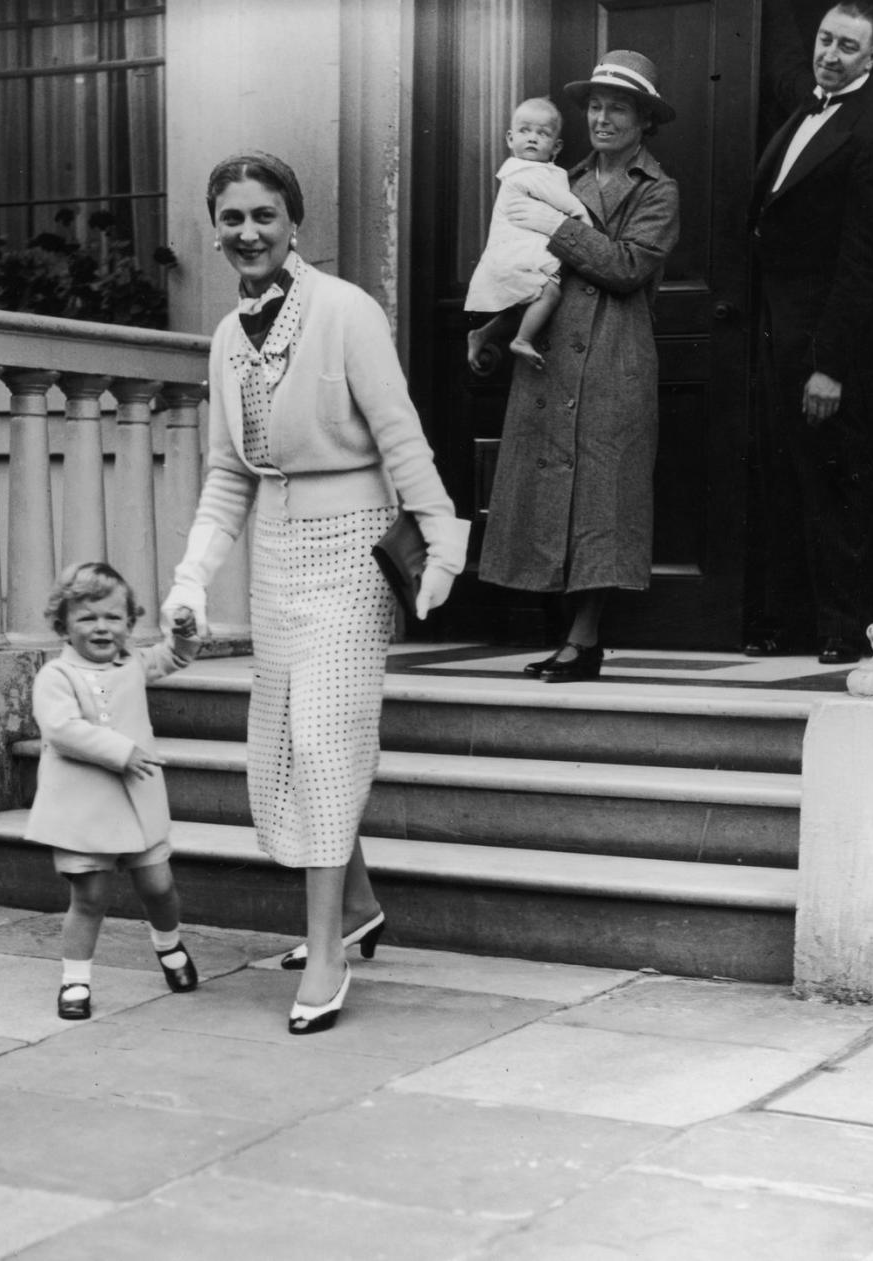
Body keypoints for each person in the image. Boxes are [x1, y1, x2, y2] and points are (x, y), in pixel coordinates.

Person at [161, 152, 469, 1035]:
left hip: (354, 548)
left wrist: (440, 537)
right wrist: (191, 578)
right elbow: (229, 474)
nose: (248, 233)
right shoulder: (226, 339)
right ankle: (359, 903)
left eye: (265, 215)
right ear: (213, 228)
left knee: (328, 739)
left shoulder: (345, 312)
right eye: (232, 218)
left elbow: (403, 437)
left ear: (295, 222)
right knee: (293, 744)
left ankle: (325, 946)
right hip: (276, 556)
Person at [478, 51, 679, 682]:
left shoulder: (659, 190)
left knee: (602, 498)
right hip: (552, 354)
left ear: (644, 120)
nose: (602, 118)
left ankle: (585, 636)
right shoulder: (560, 179)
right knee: (551, 492)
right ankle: (567, 634)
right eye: (593, 106)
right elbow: (525, 262)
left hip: (616, 357)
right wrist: (493, 325)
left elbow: (626, 267)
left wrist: (561, 228)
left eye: (617, 107)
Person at [745, 0, 873, 665]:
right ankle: (786, 623)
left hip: (824, 347)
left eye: (846, 47)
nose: (829, 55)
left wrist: (829, 366)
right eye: (824, 39)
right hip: (775, 333)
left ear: (872, 59)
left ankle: (841, 630)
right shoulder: (807, 101)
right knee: (786, 479)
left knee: (833, 485)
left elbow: (869, 264)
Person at [25, 561, 202, 1021]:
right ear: (63, 625)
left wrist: (183, 632)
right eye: (87, 618)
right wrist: (121, 750)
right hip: (83, 811)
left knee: (159, 886)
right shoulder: (56, 677)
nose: (101, 627)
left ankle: (168, 944)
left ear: (129, 622)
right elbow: (62, 729)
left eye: (112, 617)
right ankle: (75, 979)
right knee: (90, 897)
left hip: (139, 806)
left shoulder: (135, 663)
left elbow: (176, 655)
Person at [465, 97, 591, 372]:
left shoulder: (539, 171)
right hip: (515, 252)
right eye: (525, 131)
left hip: (516, 249)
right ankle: (521, 340)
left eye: (542, 133)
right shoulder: (526, 173)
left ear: (556, 146)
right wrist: (584, 220)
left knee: (526, 300)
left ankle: (483, 334)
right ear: (510, 139)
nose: (532, 138)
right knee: (549, 293)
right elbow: (564, 202)